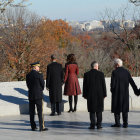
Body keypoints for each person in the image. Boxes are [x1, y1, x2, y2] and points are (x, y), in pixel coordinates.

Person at [111, 58, 139, 128]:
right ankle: (125, 123)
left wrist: (112, 90)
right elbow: (132, 82)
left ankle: (117, 123)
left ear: (117, 65)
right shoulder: (127, 72)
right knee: (124, 109)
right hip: (125, 93)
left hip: (116, 94)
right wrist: (136, 91)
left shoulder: (114, 72)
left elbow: (113, 84)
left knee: (116, 109)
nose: (113, 66)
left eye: (114, 64)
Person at [83, 61, 107, 129]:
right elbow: (103, 85)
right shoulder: (101, 74)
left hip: (90, 95)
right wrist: (104, 94)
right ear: (96, 66)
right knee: (99, 110)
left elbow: (85, 86)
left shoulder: (86, 74)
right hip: (100, 94)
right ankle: (99, 125)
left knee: (92, 110)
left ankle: (92, 124)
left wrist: (85, 95)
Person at [26, 61, 48, 131]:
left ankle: (33, 126)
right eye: (38, 66)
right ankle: (41, 127)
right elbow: (42, 85)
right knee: (40, 112)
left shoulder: (28, 75)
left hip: (31, 95)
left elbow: (28, 85)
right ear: (35, 67)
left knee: (31, 112)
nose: (39, 68)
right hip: (38, 95)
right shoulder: (39, 75)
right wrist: (39, 90)